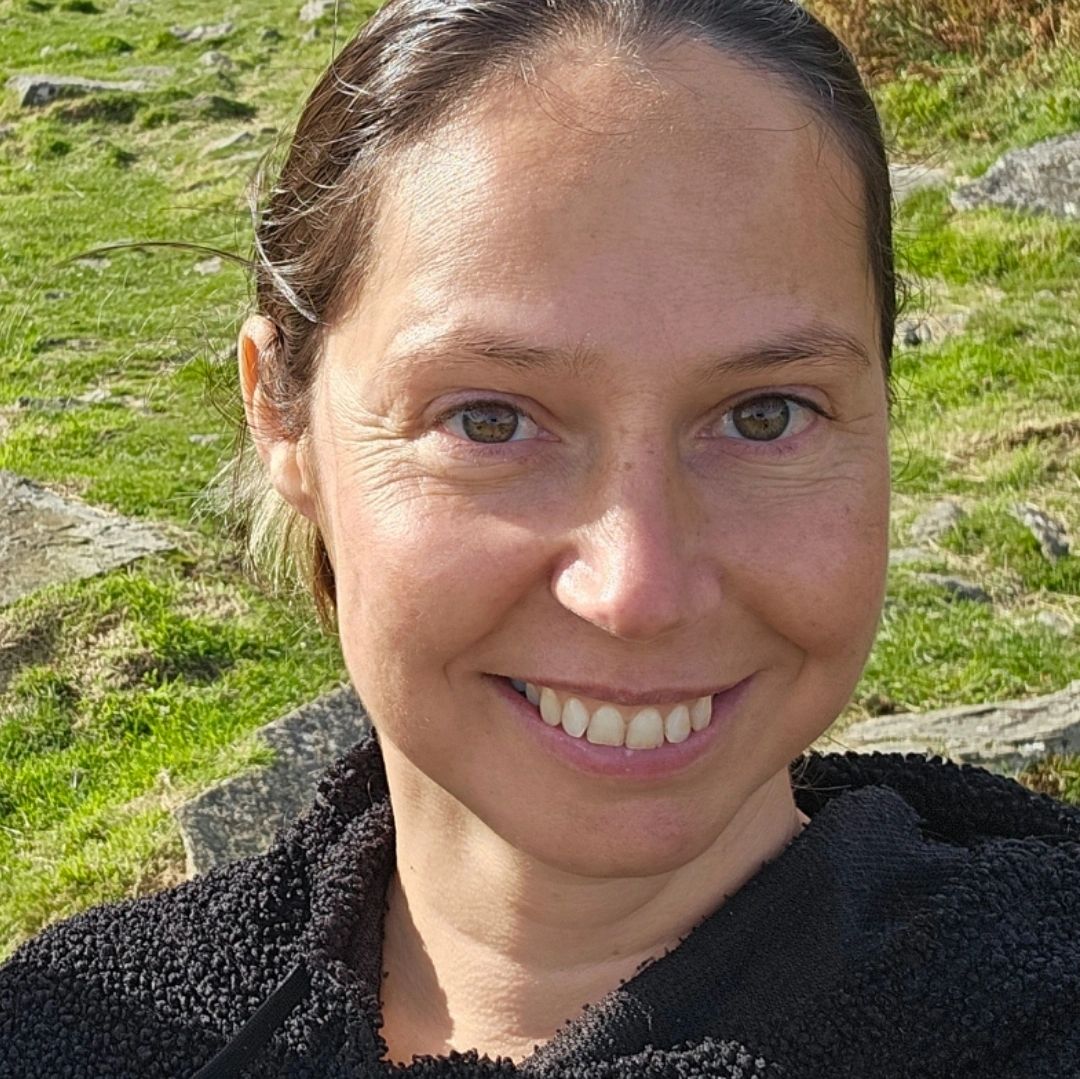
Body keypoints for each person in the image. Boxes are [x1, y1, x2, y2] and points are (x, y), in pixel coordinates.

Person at [2, 0, 1079, 1075]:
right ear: (282, 414)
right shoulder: (67, 1030)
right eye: (489, 419)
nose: (638, 586)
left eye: (766, 413)